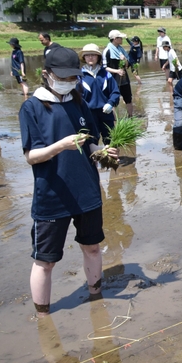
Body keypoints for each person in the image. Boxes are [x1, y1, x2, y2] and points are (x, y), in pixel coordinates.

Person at [19, 46, 118, 317]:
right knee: (45, 261)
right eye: (62, 78)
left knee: (93, 246)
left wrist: (103, 152)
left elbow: (90, 145)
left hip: (86, 191)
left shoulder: (79, 102)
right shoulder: (32, 107)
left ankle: (96, 298)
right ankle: (43, 317)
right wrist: (59, 146)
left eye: (72, 77)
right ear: (47, 74)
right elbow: (31, 156)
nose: (68, 83)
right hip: (53, 194)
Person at [78, 43, 120, 144]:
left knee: (110, 139)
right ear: (84, 57)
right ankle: (94, 160)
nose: (90, 57)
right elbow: (77, 96)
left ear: (98, 57)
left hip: (106, 112)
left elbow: (115, 92)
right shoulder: (79, 76)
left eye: (93, 55)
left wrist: (110, 103)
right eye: (87, 55)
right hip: (89, 113)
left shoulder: (106, 74)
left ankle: (112, 159)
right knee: (91, 140)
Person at [104, 30, 133, 117]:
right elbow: (105, 68)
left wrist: (124, 60)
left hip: (124, 79)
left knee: (128, 98)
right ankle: (115, 120)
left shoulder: (121, 49)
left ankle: (130, 117)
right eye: (120, 38)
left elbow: (127, 65)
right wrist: (117, 71)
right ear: (115, 39)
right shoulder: (107, 51)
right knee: (114, 100)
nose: (122, 39)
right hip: (113, 80)